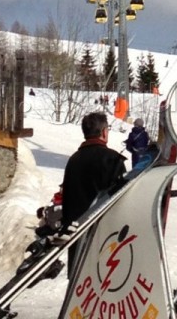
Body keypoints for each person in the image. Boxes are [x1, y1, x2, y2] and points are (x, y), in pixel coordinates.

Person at [61, 112, 126, 273]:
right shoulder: (113, 160)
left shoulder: (73, 160)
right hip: (105, 240)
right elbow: (122, 202)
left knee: (77, 290)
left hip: (76, 237)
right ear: (104, 132)